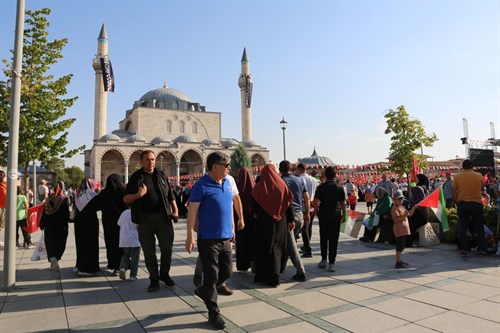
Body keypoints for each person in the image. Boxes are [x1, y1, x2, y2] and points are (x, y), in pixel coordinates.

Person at [185, 152, 234, 329]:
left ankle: (204, 290)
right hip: (208, 239)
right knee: (212, 276)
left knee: (226, 273)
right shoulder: (201, 186)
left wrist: (232, 229)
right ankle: (214, 313)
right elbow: (192, 212)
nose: (229, 167)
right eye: (226, 164)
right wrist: (190, 235)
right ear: (215, 166)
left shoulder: (227, 183)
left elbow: (228, 208)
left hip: (225, 237)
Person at [124, 150, 179, 292]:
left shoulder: (161, 175)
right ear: (141, 161)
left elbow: (170, 195)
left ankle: (164, 275)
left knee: (167, 249)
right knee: (149, 252)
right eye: (148, 160)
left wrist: (175, 210)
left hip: (163, 218)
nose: (151, 162)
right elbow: (125, 199)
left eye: (153, 159)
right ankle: (154, 279)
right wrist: (138, 195)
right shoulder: (136, 177)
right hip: (145, 219)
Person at [251, 164, 293, 287]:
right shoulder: (283, 186)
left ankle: (262, 276)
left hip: (264, 222)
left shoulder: (258, 188)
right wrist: (291, 220)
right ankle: (275, 276)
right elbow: (288, 203)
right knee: (277, 248)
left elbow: (254, 207)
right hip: (280, 221)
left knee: (264, 247)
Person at [279, 160, 309, 282]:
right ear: (291, 169)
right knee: (289, 242)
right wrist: (307, 213)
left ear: (280, 170)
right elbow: (306, 198)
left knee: (291, 245)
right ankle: (281, 267)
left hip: (289, 217)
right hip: (300, 215)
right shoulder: (300, 179)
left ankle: (301, 271)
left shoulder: (281, 181)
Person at [313, 166, 346, 272]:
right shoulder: (339, 187)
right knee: (334, 239)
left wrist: (318, 213)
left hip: (324, 214)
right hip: (336, 214)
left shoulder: (321, 187)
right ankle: (332, 263)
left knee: (323, 237)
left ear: (325, 175)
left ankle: (323, 260)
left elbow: (315, 202)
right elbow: (343, 203)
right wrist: (344, 215)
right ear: (335, 175)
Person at [452, 159, 487, 256]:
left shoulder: (457, 176)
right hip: (476, 203)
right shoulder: (479, 175)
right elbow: (481, 189)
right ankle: (482, 249)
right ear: (472, 167)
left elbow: (454, 191)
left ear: (463, 167)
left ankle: (463, 249)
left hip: (463, 203)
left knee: (463, 226)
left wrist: (455, 200)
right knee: (479, 227)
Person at [99, 174, 127, 275]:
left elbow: (99, 205)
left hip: (108, 222)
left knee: (110, 243)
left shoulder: (103, 193)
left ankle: (113, 263)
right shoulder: (123, 192)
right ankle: (120, 266)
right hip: (121, 222)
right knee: (121, 243)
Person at [40, 181, 70, 272]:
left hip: (49, 226)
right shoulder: (64, 199)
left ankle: (52, 259)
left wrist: (42, 224)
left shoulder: (48, 198)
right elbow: (66, 213)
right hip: (61, 226)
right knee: (60, 243)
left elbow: (44, 212)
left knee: (50, 242)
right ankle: (56, 258)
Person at [74, 178, 101, 275]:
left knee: (81, 244)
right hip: (91, 222)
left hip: (79, 222)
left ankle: (80, 265)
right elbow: (99, 206)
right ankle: (89, 268)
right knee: (91, 244)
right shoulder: (93, 195)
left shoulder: (78, 194)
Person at [295, 163, 317, 258]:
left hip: (304, 206)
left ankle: (307, 249)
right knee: (309, 227)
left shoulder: (299, 179)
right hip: (312, 206)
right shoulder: (314, 180)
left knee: (304, 229)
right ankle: (306, 245)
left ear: (299, 170)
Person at [235, 167, 255, 272]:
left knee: (241, 244)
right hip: (251, 220)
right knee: (251, 242)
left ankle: (243, 265)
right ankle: (252, 262)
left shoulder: (237, 188)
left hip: (240, 220)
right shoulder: (254, 188)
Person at [391, 190, 416, 269]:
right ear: (394, 199)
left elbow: (409, 214)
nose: (401, 201)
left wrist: (414, 208)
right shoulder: (394, 208)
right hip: (399, 230)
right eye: (399, 199)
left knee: (402, 246)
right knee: (399, 246)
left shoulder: (402, 207)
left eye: (402, 199)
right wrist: (404, 215)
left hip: (404, 229)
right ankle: (398, 262)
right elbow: (396, 220)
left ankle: (400, 260)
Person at [117, 209, 141, 281]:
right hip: (134, 238)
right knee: (135, 257)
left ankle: (123, 267)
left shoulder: (124, 212)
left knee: (126, 254)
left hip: (124, 238)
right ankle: (133, 275)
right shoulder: (137, 213)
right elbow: (139, 225)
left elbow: (119, 223)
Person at [407, 174, 430, 246]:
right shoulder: (426, 188)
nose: (415, 180)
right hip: (424, 215)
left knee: (408, 223)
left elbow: (418, 203)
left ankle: (408, 242)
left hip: (419, 214)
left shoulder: (418, 188)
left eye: (416, 178)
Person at [0, 170, 6, 236]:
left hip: (4, 207)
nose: (0, 177)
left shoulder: (6, 184)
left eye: (1, 175)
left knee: (1, 225)